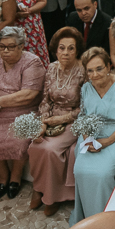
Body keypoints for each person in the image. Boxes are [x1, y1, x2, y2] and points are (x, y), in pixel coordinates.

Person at [71, 48, 115, 225]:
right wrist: (88, 139)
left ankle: (109, 218)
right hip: (93, 133)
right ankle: (89, 217)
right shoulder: (86, 88)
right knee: (79, 169)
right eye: (90, 70)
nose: (95, 75)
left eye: (99, 68)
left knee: (104, 172)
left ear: (109, 67)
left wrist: (106, 142)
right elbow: (83, 117)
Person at [0, 27, 46, 202]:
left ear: (21, 46)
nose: (5, 51)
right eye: (1, 47)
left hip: (24, 111)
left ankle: (15, 176)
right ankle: (3, 176)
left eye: (10, 46)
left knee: (19, 141)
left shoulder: (32, 62)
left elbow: (29, 94)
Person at [28, 27, 85, 217]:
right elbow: (45, 99)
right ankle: (38, 187)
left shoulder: (84, 70)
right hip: (50, 117)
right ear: (56, 49)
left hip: (73, 120)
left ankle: (52, 197)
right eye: (62, 48)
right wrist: (43, 122)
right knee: (35, 145)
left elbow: (86, 107)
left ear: (77, 50)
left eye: (71, 48)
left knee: (50, 150)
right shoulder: (51, 68)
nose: (66, 53)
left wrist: (62, 118)